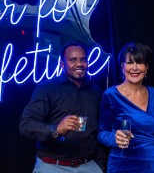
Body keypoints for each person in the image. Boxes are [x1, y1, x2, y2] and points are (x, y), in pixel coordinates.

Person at [19, 42, 105, 173]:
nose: (79, 64)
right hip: (54, 166)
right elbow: (26, 125)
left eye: (83, 59)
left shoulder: (95, 91)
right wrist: (57, 129)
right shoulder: (47, 89)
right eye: (73, 60)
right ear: (62, 64)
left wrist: (99, 165)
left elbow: (100, 129)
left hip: (88, 165)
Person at [98, 42, 154, 173]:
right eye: (129, 63)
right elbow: (101, 133)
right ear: (122, 66)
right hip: (122, 165)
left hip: (153, 165)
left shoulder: (153, 93)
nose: (135, 68)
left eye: (139, 63)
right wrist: (114, 138)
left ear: (146, 67)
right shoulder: (111, 95)